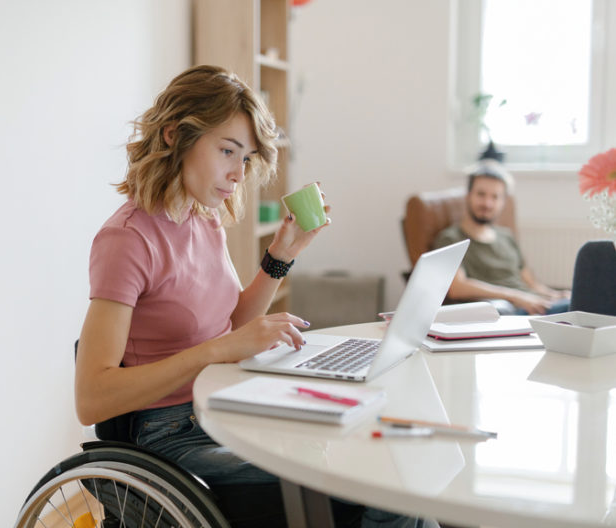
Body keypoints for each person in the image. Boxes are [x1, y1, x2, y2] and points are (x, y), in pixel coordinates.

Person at [74, 65, 431, 527]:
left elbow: (232, 327)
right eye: (228, 151)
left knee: (385, 451)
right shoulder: (126, 240)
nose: (238, 174)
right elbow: (92, 396)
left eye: (245, 159)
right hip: (172, 435)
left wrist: (281, 255)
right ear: (172, 136)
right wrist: (217, 351)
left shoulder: (204, 219)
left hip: (224, 402)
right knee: (379, 486)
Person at [432, 160, 570, 315]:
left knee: (581, 301)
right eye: (481, 194)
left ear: (503, 202)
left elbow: (531, 283)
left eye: (495, 197)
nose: (487, 203)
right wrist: (516, 297)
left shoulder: (506, 236)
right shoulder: (451, 238)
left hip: (535, 304)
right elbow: (456, 287)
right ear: (468, 196)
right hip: (509, 311)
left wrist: (555, 295)